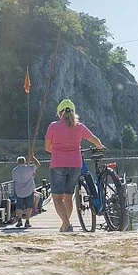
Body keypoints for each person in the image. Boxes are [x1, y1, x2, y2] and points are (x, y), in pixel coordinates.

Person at [44, 98, 104, 232]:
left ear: (60, 113)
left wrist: (59, 149)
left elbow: (47, 147)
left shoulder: (53, 126)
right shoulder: (80, 127)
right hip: (76, 165)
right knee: (67, 197)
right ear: (73, 112)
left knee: (57, 198)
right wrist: (100, 146)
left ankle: (67, 224)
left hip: (58, 165)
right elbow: (94, 139)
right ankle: (65, 225)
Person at [11, 154, 41, 228]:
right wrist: (33, 157)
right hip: (29, 191)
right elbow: (38, 164)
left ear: (17, 162)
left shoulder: (14, 170)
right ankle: (27, 221)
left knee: (19, 207)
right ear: (25, 161)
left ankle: (19, 220)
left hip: (18, 191)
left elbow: (15, 179)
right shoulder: (29, 168)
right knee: (29, 206)